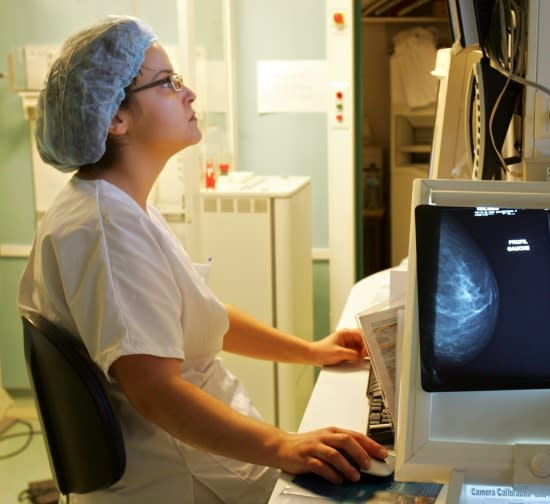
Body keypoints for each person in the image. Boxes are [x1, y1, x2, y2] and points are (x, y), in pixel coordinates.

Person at [17, 15, 388, 503]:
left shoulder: (119, 206)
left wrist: (311, 351)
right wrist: (284, 445)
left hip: (204, 458)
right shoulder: (106, 227)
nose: (188, 94)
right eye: (168, 83)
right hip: (183, 478)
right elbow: (156, 392)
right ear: (115, 118)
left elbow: (201, 316)